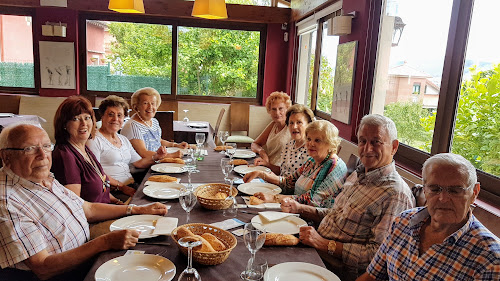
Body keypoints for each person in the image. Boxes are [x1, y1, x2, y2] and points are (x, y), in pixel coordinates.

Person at [0, 124, 168, 280]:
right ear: (6, 156)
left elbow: (88, 209)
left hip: (89, 253)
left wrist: (137, 209)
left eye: (46, 146)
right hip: (69, 274)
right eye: (29, 149)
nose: (43, 155)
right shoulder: (7, 203)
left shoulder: (42, 178)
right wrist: (105, 242)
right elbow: (43, 267)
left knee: (161, 247)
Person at [282, 114, 415, 281]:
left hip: (335, 269)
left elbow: (380, 256)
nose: (367, 149)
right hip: (315, 250)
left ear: (394, 147)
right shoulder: (358, 175)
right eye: (362, 141)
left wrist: (324, 244)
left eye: (376, 142)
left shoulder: (395, 195)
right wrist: (300, 208)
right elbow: (335, 215)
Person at [357, 153, 500, 281]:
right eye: (435, 189)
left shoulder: (491, 260)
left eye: (455, 190)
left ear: (474, 192)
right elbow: (372, 275)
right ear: (424, 189)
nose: (443, 198)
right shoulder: (403, 222)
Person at [244, 120, 347, 208]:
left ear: (330, 143)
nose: (311, 144)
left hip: (310, 220)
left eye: (317, 140)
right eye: (309, 139)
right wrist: (261, 174)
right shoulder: (312, 161)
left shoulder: (333, 166)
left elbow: (312, 201)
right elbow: (288, 182)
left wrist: (274, 198)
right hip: (292, 208)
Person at [87, 95, 172, 198]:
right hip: (112, 191)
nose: (115, 119)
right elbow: (96, 173)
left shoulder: (123, 139)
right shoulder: (94, 140)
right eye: (111, 114)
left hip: (131, 185)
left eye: (120, 115)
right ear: (102, 116)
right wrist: (122, 187)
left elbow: (139, 163)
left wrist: (156, 157)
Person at [51, 96, 119, 204]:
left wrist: (117, 202)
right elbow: (76, 206)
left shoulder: (83, 148)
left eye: (87, 118)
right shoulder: (65, 156)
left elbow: (100, 187)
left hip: (107, 208)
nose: (84, 124)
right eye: (76, 119)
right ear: (64, 124)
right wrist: (126, 210)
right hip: (92, 219)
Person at [121, 87, 187, 159]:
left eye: (153, 103)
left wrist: (175, 145)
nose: (150, 107)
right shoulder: (132, 126)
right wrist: (170, 155)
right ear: (136, 106)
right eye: (145, 103)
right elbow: (143, 153)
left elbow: (158, 141)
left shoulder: (154, 121)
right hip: (143, 168)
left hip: (156, 161)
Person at [254, 103, 315, 176]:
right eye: (291, 123)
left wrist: (265, 176)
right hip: (280, 185)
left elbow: (295, 182)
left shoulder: (311, 150)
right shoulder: (289, 146)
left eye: (299, 122)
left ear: (309, 125)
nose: (294, 127)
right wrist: (266, 165)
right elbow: (282, 172)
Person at [251, 91, 291, 166]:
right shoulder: (273, 125)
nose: (277, 113)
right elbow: (255, 144)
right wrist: (262, 152)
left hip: (280, 172)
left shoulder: (291, 128)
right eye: (274, 109)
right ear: (269, 111)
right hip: (267, 166)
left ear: (287, 109)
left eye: (281, 109)